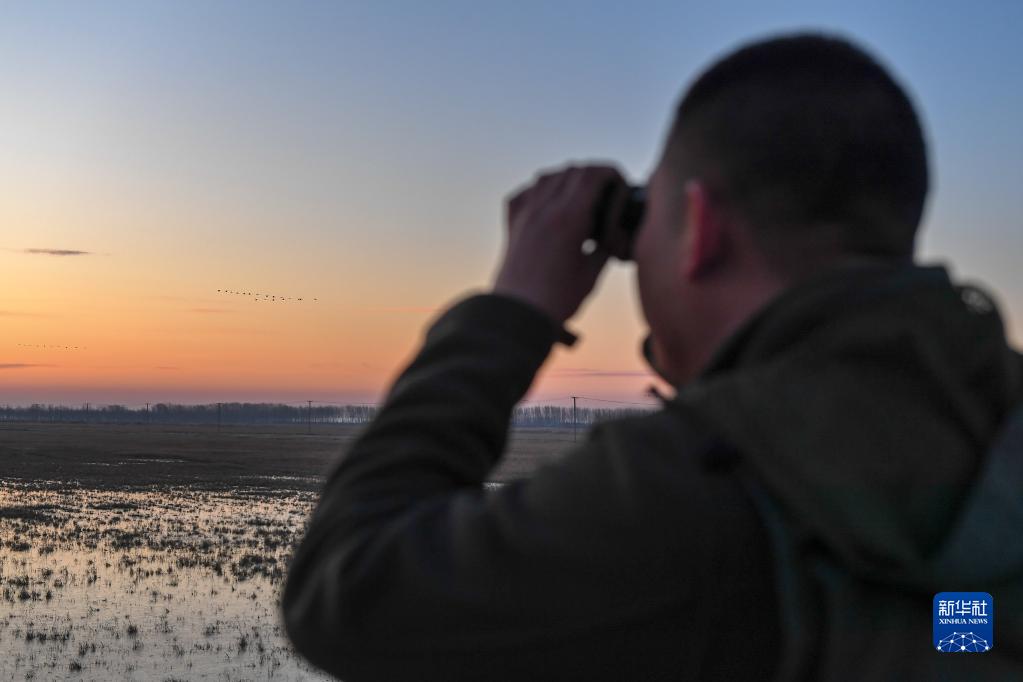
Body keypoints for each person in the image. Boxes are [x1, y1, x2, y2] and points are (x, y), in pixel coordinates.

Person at [282, 33, 1023, 680]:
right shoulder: (986, 417)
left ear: (698, 229)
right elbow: (938, 619)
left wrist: (511, 310)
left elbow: (345, 594)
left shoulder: (692, 491)